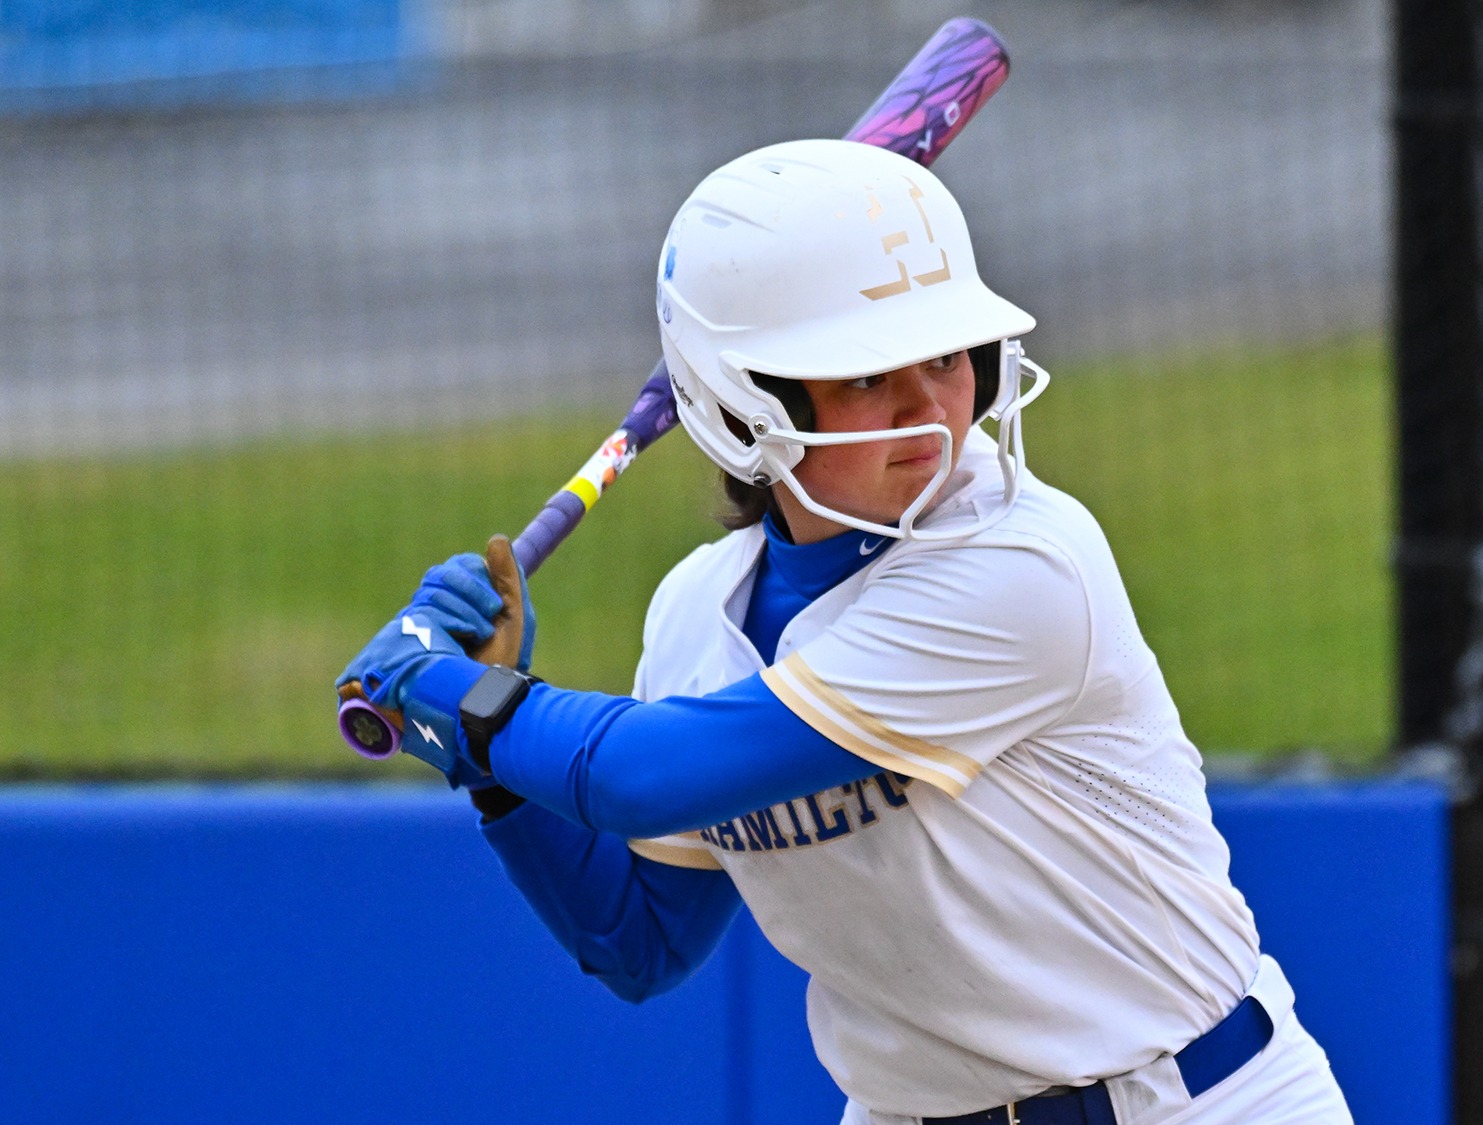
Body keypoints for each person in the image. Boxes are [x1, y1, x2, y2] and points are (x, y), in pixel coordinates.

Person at [340, 138, 1354, 1125]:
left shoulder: (1019, 564)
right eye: (867, 376)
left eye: (948, 356)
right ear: (742, 406)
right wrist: (485, 755)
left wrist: (445, 695)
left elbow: (637, 775)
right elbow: (637, 941)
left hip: (1188, 1102)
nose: (929, 411)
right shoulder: (698, 615)